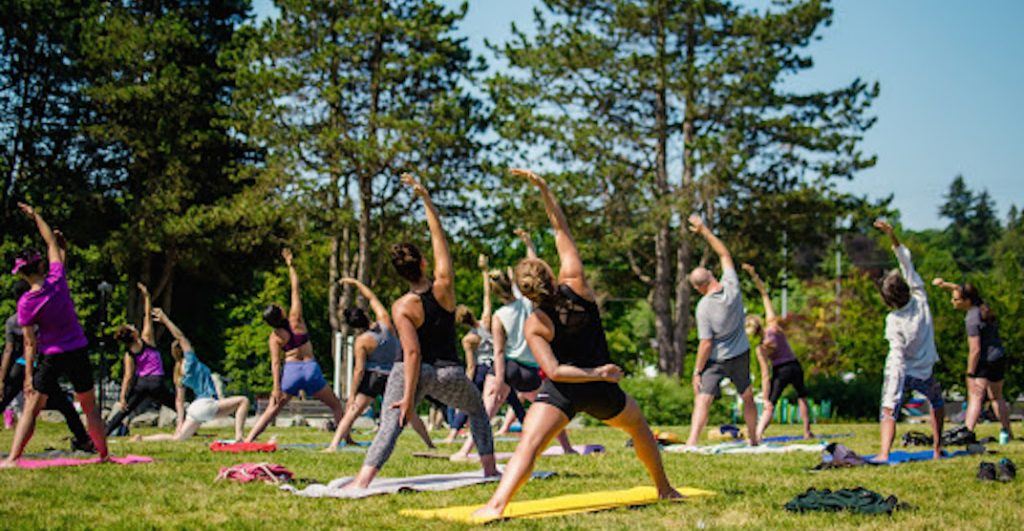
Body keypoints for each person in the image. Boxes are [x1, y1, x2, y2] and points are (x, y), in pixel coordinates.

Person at [472, 169, 679, 520]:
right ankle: (664, 488)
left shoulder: (535, 321)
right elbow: (561, 230)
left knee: (530, 445)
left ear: (525, 292)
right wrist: (544, 189)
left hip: (563, 390)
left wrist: (592, 372)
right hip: (601, 388)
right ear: (550, 275)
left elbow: (552, 371)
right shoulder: (577, 283)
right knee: (640, 428)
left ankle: (496, 505)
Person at [342, 173, 497, 490]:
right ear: (424, 263)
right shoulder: (444, 287)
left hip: (409, 372)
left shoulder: (402, 307)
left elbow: (412, 353)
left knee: (390, 424)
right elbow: (440, 240)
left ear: (401, 274)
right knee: (478, 411)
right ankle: (490, 471)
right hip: (449, 373)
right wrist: (426, 200)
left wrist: (409, 398)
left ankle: (362, 481)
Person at [451, 231, 575, 460]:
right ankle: (567, 447)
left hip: (507, 368)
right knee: (552, 407)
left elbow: (498, 351)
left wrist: (499, 381)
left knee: (485, 411)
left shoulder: (499, 315)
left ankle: (464, 450)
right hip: (530, 370)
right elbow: (534, 269)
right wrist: (529, 243)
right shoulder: (528, 303)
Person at [2, 203, 108, 467]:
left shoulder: (26, 303)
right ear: (40, 265)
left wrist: (28, 376)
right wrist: (37, 216)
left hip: (53, 355)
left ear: (22, 273)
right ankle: (104, 454)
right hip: (78, 349)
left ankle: (14, 458)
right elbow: (51, 242)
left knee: (31, 407)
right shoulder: (57, 279)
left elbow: (29, 342)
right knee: (89, 406)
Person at [244, 248, 345, 442]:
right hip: (310, 368)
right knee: (336, 406)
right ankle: (343, 439)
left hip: (291, 372)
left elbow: (275, 364)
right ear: (280, 313)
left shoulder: (274, 337)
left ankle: (249, 439)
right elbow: (295, 289)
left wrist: (276, 388)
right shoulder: (295, 319)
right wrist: (291, 266)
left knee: (274, 409)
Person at [324, 278, 434, 452]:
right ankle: (429, 444)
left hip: (373, 377)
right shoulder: (386, 324)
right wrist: (357, 283)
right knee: (409, 411)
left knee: (353, 412)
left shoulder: (362, 342)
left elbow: (359, 370)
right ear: (366, 316)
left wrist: (352, 395)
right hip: (394, 375)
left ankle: (333, 445)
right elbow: (373, 299)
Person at [685, 214, 759, 447]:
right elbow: (724, 254)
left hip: (716, 360)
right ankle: (755, 439)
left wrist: (697, 371)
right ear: (712, 276)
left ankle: (692, 441)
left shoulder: (703, 307)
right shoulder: (732, 288)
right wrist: (703, 230)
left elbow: (706, 343)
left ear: (699, 288)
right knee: (747, 396)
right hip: (740, 354)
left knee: (703, 399)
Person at [873, 219, 943, 461]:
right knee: (936, 402)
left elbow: (896, 354)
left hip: (902, 369)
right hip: (925, 368)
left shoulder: (894, 320)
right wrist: (892, 235)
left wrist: (892, 388)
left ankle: (884, 453)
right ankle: (936, 449)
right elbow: (905, 261)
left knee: (888, 410)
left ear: (889, 302)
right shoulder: (920, 296)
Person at [129, 308, 250, 442]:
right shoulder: (191, 361)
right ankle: (239, 436)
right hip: (207, 404)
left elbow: (179, 402)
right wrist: (165, 320)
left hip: (195, 409)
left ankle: (143, 438)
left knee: (177, 438)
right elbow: (179, 336)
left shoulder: (179, 372)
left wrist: (180, 424)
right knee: (243, 401)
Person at [2, 279, 94, 452]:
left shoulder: (12, 321)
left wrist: (1, 378)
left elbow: (9, 350)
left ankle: (83, 439)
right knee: (65, 406)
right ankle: (83, 439)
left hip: (19, 366)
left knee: (5, 400)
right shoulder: (40, 313)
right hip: (40, 365)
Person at [443, 254, 526, 443]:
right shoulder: (488, 321)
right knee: (514, 401)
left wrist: (468, 382)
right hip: (499, 367)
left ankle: (453, 433)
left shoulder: (469, 339)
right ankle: (528, 429)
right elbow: (487, 296)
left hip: (482, 371)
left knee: (468, 403)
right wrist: (485, 272)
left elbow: (471, 366)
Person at [931, 278, 1012, 438]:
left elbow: (975, 350)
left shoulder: (972, 319)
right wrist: (945, 285)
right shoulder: (982, 307)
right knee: (997, 397)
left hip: (984, 360)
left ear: (966, 301)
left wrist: (970, 374)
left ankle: (967, 432)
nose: (952, 301)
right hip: (998, 356)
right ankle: (1006, 433)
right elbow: (962, 289)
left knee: (975, 396)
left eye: (955, 299)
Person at [742, 263, 814, 440]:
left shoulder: (762, 348)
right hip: (794, 365)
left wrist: (766, 396)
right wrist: (754, 276)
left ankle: (758, 433)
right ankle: (807, 431)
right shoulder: (773, 327)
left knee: (770, 405)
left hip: (780, 370)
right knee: (802, 397)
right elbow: (765, 295)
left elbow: (766, 375)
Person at [105, 283, 180, 436]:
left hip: (141, 384)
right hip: (156, 381)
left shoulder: (129, 354)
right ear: (133, 334)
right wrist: (147, 296)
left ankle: (106, 432)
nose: (134, 326)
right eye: (132, 327)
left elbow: (128, 377)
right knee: (176, 405)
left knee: (125, 411)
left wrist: (122, 397)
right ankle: (189, 427)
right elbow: (148, 316)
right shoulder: (147, 339)